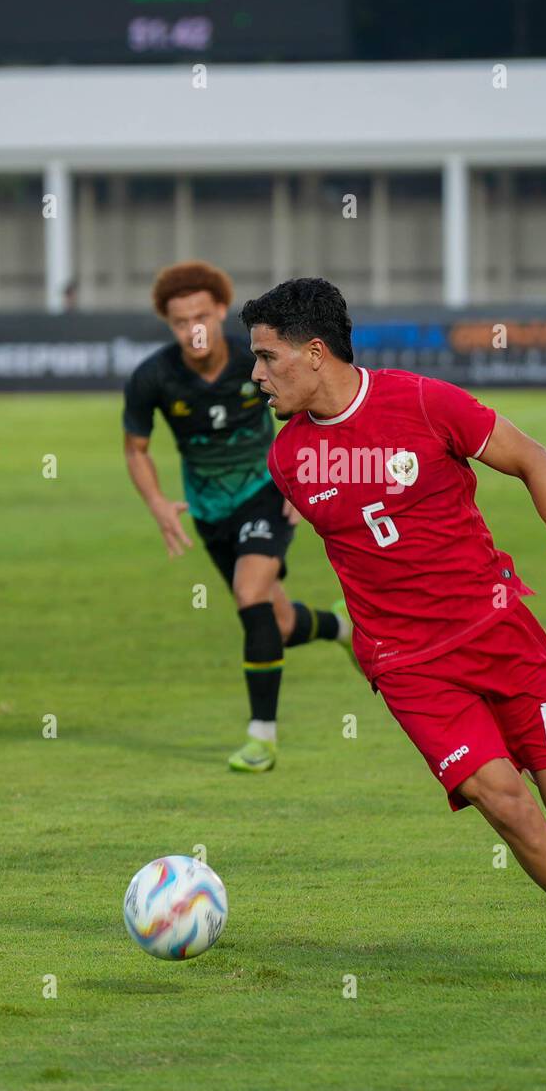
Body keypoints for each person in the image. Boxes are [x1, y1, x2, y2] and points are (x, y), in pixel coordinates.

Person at [240, 276, 546, 996]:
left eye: (266, 357)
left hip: (498, 631)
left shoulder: (422, 401)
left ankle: (520, 740)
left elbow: (534, 460)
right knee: (504, 803)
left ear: (314, 352)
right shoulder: (288, 457)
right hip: (410, 667)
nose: (256, 376)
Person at [122, 261, 354, 773]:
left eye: (202, 315)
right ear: (168, 324)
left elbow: (315, 407)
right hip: (209, 513)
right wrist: (159, 504)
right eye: (181, 322)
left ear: (221, 310)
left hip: (265, 494)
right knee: (276, 618)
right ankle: (343, 628)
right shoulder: (153, 377)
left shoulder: (260, 361)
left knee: (250, 595)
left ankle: (262, 738)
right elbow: (136, 449)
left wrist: (306, 476)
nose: (194, 329)